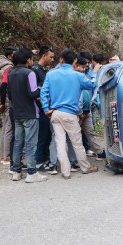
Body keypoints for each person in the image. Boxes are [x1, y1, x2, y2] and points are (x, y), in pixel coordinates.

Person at [40, 49, 99, 179]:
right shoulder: (78, 76)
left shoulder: (51, 74)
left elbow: (43, 92)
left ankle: (65, 172)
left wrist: (45, 109)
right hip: (70, 114)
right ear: (75, 61)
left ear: (61, 59)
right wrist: (94, 73)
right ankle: (85, 167)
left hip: (55, 113)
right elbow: (93, 85)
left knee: (60, 142)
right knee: (77, 142)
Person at [7, 48, 47, 183]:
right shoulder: (29, 73)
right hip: (30, 112)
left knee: (18, 142)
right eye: (31, 58)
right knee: (30, 143)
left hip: (17, 113)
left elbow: (10, 95)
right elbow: (32, 93)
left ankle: (16, 171)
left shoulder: (11, 73)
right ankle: (31, 172)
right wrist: (40, 90)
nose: (32, 60)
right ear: (27, 60)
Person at [31, 46, 55, 170]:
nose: (52, 60)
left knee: (47, 134)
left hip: (47, 107)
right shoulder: (35, 70)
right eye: (50, 57)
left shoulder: (45, 70)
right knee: (42, 134)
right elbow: (34, 90)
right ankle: (39, 160)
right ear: (44, 55)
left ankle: (44, 158)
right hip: (39, 108)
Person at [0, 46, 17, 165]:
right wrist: (3, 102)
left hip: (4, 99)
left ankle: (3, 155)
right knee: (9, 127)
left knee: (5, 127)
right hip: (8, 100)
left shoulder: (2, 65)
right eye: (15, 54)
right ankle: (7, 157)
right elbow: (4, 86)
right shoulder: (9, 68)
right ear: (10, 56)